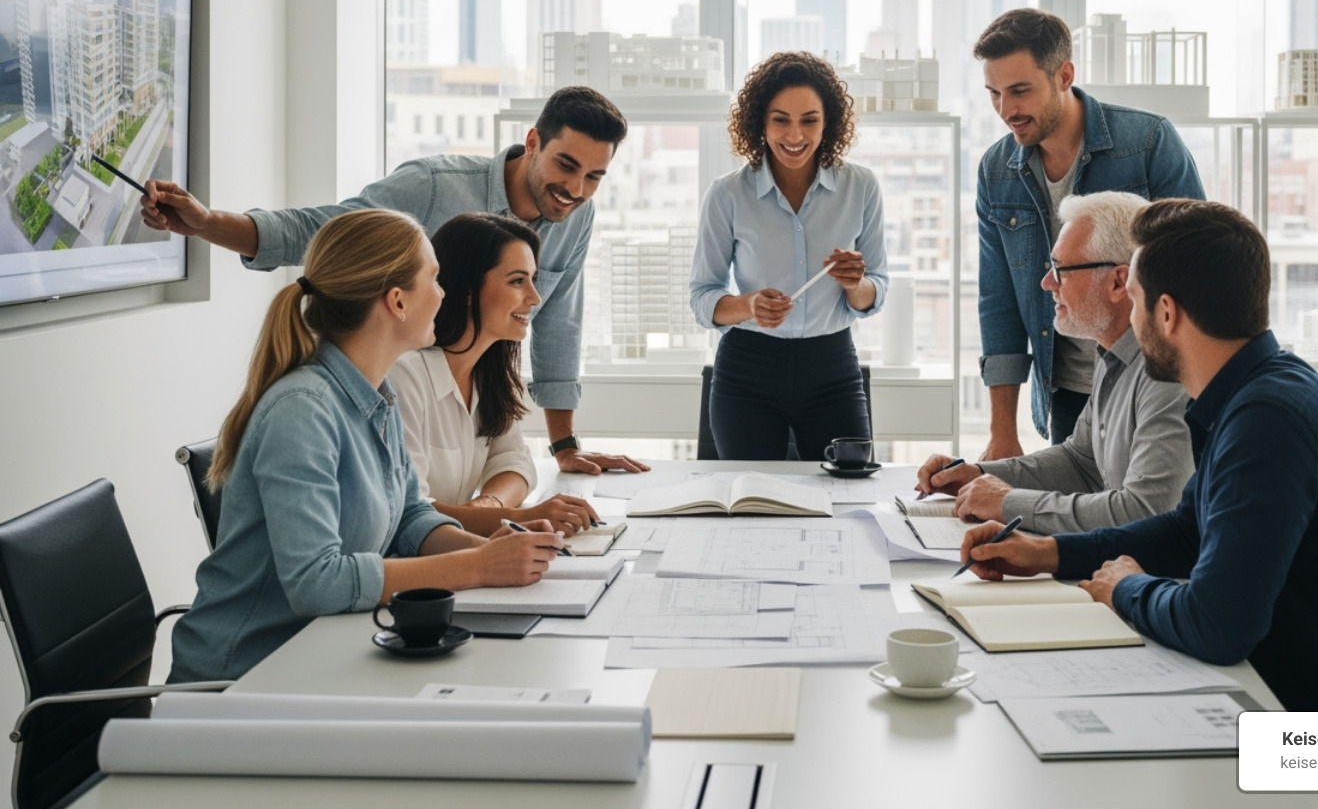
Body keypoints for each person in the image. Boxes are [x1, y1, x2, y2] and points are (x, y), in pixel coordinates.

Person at [958, 199, 1318, 809]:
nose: (1131, 319)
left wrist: (1126, 588)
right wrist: (1048, 552)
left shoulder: (1268, 419)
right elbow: (1185, 531)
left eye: (1136, 301)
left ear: (1166, 313)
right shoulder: (1254, 393)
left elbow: (1219, 626)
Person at [139, 86, 647, 476]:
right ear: (533, 142)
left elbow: (559, 325)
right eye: (566, 165)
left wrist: (564, 446)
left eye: (594, 177)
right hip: (382, 400)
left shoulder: (577, 217)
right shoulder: (434, 187)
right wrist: (207, 223)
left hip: (458, 411)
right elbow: (322, 231)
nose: (575, 189)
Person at [168, 209, 566, 683]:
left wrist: (487, 549)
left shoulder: (376, 394)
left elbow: (409, 517)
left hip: (321, 655)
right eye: (434, 279)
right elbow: (317, 583)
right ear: (397, 301)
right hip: (243, 678)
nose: (443, 294)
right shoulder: (303, 411)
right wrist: (477, 566)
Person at [973, 8, 1205, 452]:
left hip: (1156, 384)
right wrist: (1002, 432)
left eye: (1020, 91)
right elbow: (998, 300)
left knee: (1149, 497)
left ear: (1064, 75)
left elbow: (1197, 270)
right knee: (1075, 496)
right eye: (994, 94)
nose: (1006, 110)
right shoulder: (996, 170)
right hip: (1068, 392)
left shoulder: (1148, 143)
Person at [914, 191, 1193, 532]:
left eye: (1061, 270)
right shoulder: (1113, 355)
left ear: (1118, 282)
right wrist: (978, 475)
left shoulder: (1166, 373)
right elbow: (1080, 462)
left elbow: (1147, 511)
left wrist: (1007, 502)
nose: (1047, 283)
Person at [690, 51, 888, 460]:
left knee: (847, 489)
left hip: (832, 368)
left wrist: (855, 285)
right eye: (781, 120)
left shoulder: (861, 187)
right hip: (746, 372)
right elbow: (702, 297)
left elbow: (876, 289)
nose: (795, 135)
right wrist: (749, 305)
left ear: (828, 122)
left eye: (809, 120)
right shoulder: (727, 194)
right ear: (760, 122)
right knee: (752, 493)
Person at [389, 212, 599, 537]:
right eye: (517, 281)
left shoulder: (489, 373)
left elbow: (515, 462)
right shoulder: (403, 376)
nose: (535, 297)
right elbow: (407, 513)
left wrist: (490, 504)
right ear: (467, 288)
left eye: (533, 279)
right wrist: (516, 517)